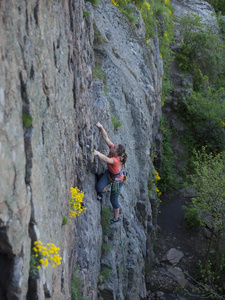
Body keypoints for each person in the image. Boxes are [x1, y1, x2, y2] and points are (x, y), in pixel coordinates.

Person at [94, 122, 128, 224]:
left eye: (114, 147)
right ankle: (104, 192)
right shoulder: (113, 150)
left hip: (118, 181)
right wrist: (101, 127)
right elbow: (106, 137)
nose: (112, 146)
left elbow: (105, 159)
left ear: (116, 152)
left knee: (113, 199)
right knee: (98, 188)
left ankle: (116, 218)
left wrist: (97, 153)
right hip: (110, 175)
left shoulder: (116, 160)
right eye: (114, 146)